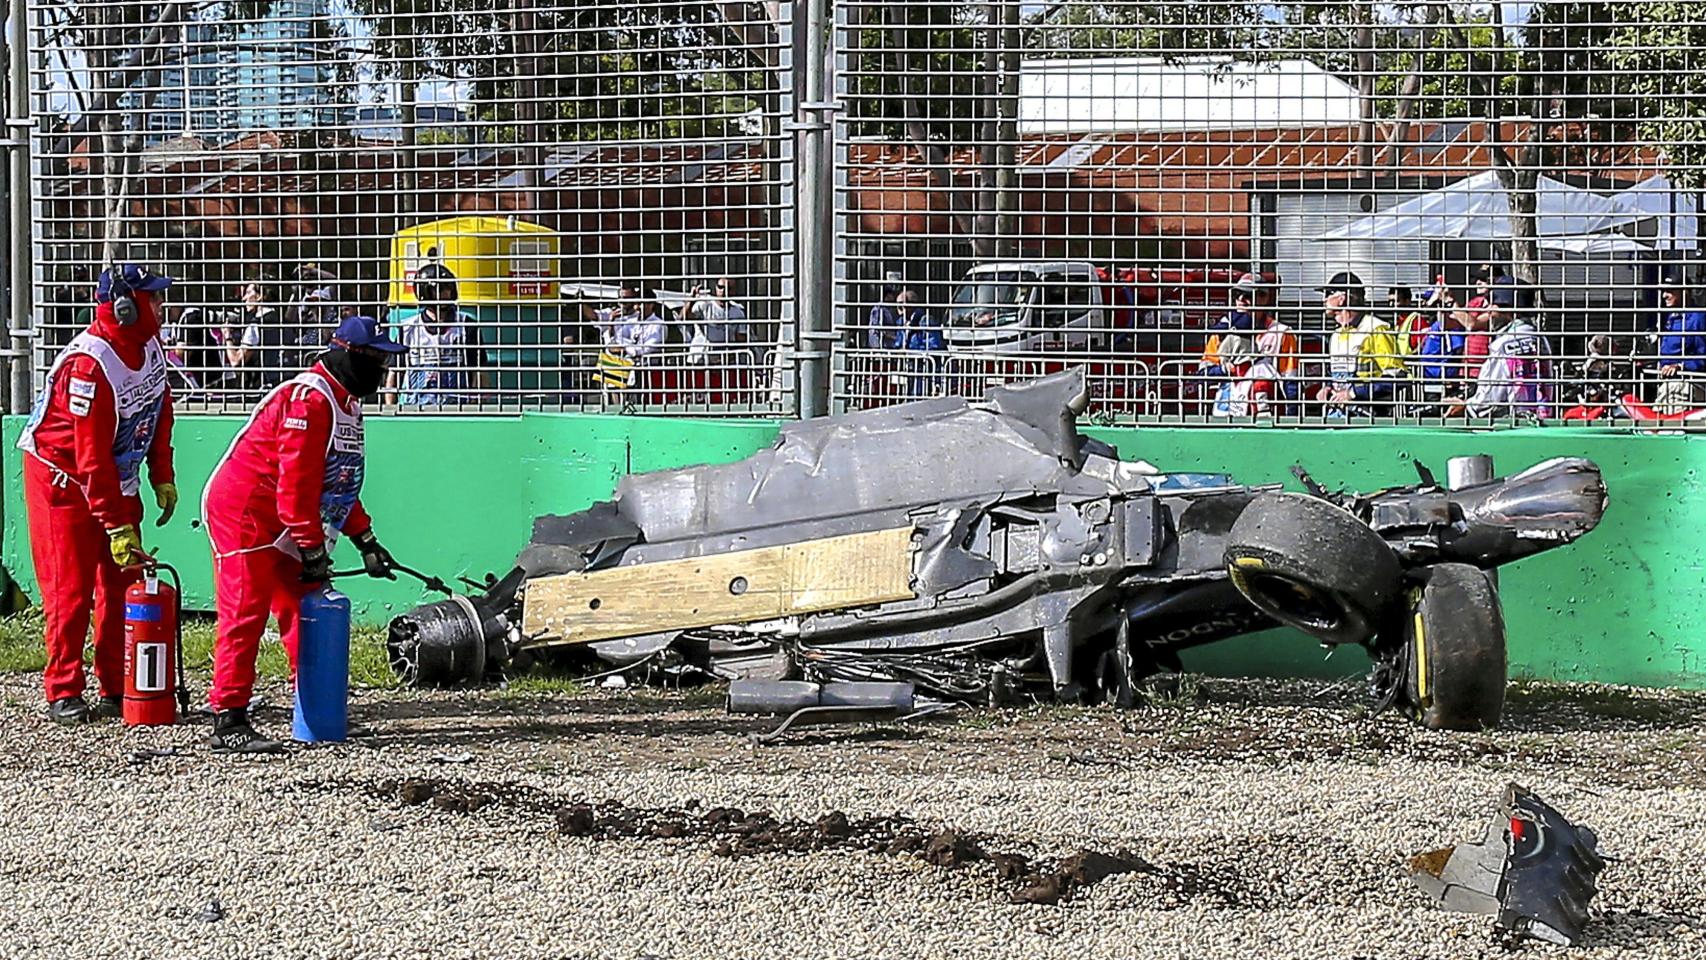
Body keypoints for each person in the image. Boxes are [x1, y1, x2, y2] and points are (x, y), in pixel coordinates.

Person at [201, 315, 406, 753]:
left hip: (288, 515)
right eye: (377, 359)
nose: (384, 370)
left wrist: (365, 540)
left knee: (304, 607)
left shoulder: (346, 403)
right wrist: (313, 548)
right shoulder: (310, 401)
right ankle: (228, 717)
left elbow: (339, 482)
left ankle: (313, 707)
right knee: (245, 610)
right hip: (247, 511)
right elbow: (296, 487)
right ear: (349, 354)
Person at [16, 264, 178, 723]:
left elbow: (158, 408)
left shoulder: (149, 347)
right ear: (125, 308)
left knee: (124, 578)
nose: (161, 307)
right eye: (153, 299)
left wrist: (160, 471)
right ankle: (63, 688)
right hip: (62, 479)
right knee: (72, 585)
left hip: (115, 472)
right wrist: (116, 523)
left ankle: (115, 683)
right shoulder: (90, 366)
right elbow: (90, 460)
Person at [1313, 271, 1404, 416]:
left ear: (1341, 298)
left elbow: (1397, 376)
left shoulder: (1376, 329)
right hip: (1336, 415)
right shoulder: (1336, 335)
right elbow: (1337, 376)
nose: (1324, 300)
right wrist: (1328, 388)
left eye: (1328, 294)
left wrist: (1353, 393)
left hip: (1367, 417)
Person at [1462, 281, 1553, 420]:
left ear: (1508, 309)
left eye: (1493, 304)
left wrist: (1465, 406)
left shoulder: (1503, 344)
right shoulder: (1540, 339)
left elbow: (1488, 401)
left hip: (1509, 425)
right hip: (1541, 421)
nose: (1488, 310)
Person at [391, 263, 473, 405]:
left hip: (458, 408)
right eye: (440, 290)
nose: (446, 294)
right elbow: (395, 373)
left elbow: (479, 372)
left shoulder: (466, 326)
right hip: (416, 408)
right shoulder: (408, 329)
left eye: (448, 288)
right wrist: (389, 409)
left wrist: (474, 407)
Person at [1652, 273, 1706, 414]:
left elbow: (1703, 356)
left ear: (1684, 292)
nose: (1664, 295)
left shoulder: (1698, 318)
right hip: (1666, 386)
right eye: (1664, 291)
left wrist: (1680, 366)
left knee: (1673, 429)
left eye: (1670, 291)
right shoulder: (1671, 317)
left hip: (1685, 387)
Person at [682, 277, 749, 346]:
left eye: (728, 288)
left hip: (722, 353)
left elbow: (741, 341)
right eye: (720, 287)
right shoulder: (704, 304)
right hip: (700, 352)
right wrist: (692, 299)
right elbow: (683, 318)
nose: (723, 291)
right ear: (716, 288)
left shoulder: (738, 312)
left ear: (733, 291)